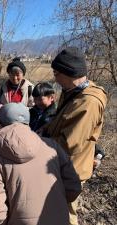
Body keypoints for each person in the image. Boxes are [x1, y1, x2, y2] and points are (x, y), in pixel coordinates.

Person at [0, 103, 82, 225]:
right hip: (59, 219)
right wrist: (57, 206)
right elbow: (74, 186)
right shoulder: (51, 145)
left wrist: (6, 222)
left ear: (0, 125)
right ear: (27, 123)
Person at [42, 47, 107, 225]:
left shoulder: (89, 101)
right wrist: (45, 128)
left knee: (67, 214)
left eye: (57, 73)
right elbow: (61, 120)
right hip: (60, 164)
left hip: (72, 169)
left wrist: (37, 143)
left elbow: (70, 143)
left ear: (70, 73)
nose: (54, 78)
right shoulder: (72, 92)